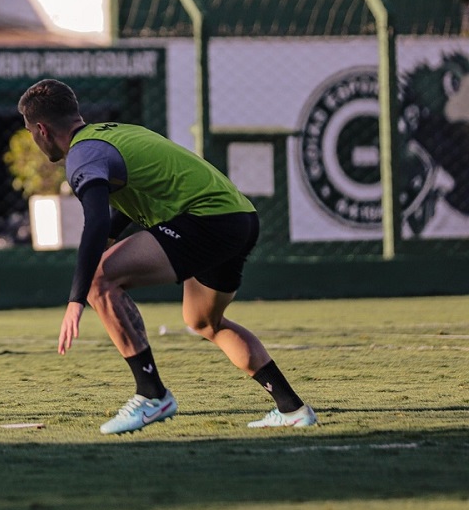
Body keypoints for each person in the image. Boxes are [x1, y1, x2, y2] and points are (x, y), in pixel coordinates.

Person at [17, 78, 317, 435]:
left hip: (205, 221)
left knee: (101, 279)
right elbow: (137, 195)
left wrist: (76, 298)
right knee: (205, 322)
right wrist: (112, 238)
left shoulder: (82, 154)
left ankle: (151, 394)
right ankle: (292, 408)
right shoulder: (115, 134)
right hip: (240, 218)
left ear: (41, 130)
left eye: (31, 133)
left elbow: (94, 222)